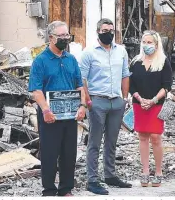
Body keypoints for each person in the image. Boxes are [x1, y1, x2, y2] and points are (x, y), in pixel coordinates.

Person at [29, 21, 87, 197]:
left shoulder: (71, 60)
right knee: (49, 153)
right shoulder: (40, 61)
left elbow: (79, 86)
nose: (65, 39)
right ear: (51, 37)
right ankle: (49, 190)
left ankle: (66, 189)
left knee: (69, 153)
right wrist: (46, 110)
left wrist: (83, 106)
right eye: (61, 36)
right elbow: (35, 90)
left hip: (70, 114)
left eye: (67, 35)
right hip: (50, 114)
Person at [79, 18, 132, 195]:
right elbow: (82, 79)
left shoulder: (121, 51)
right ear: (98, 32)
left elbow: (125, 75)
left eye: (111, 30)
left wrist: (124, 98)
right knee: (94, 142)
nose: (108, 33)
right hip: (97, 101)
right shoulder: (89, 53)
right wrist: (88, 101)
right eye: (104, 30)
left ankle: (110, 175)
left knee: (112, 141)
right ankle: (92, 180)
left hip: (116, 101)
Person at [129, 30, 172, 188]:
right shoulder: (136, 61)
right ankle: (145, 171)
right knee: (143, 136)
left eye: (150, 42)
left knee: (156, 136)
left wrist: (153, 101)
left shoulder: (163, 61)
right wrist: (140, 99)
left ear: (156, 44)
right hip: (139, 103)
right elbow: (131, 85)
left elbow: (167, 85)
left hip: (157, 104)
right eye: (144, 42)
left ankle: (158, 171)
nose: (146, 45)